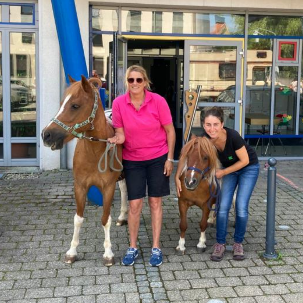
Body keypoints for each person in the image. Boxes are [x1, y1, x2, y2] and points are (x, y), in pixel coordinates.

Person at [108, 65, 176, 267]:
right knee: (134, 204)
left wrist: (170, 159)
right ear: (126, 82)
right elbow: (121, 133)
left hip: (157, 157)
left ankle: (156, 247)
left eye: (139, 80)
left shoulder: (158, 101)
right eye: (131, 80)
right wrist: (114, 139)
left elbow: (170, 131)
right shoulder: (119, 103)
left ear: (145, 82)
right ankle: (133, 247)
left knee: (155, 202)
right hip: (133, 159)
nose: (135, 84)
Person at [176, 106, 259, 262]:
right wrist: (176, 176)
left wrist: (222, 173)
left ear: (222, 124)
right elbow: (185, 155)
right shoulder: (203, 139)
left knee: (241, 206)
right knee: (222, 208)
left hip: (248, 168)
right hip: (228, 170)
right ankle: (220, 244)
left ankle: (238, 243)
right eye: (208, 125)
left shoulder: (233, 136)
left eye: (215, 124)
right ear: (203, 125)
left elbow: (245, 160)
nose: (212, 128)